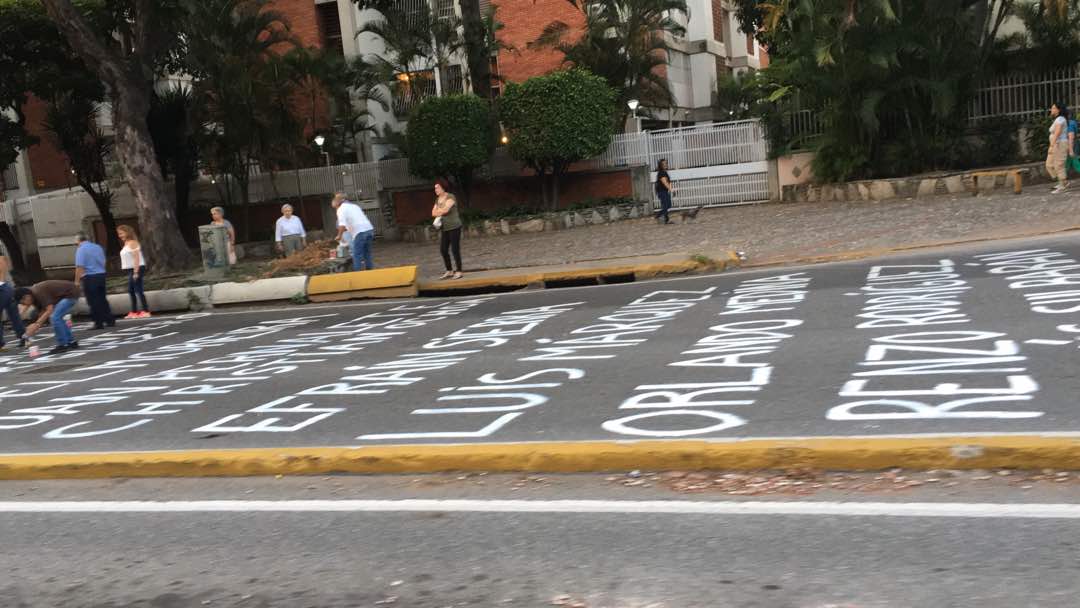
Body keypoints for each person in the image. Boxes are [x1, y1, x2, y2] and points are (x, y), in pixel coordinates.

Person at [17, 280, 81, 355]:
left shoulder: (38, 292)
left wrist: (36, 325)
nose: (25, 305)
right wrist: (33, 326)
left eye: (23, 303)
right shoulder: (33, 297)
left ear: (27, 297)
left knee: (55, 317)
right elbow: (42, 314)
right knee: (58, 318)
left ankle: (63, 345)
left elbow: (49, 309)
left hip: (70, 293)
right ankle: (71, 342)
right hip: (65, 295)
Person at [74, 232, 114, 330]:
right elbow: (103, 261)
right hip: (101, 275)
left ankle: (98, 322)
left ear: (78, 240)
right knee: (102, 298)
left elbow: (79, 266)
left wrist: (77, 281)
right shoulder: (98, 247)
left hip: (89, 277)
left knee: (92, 301)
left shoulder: (81, 249)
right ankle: (109, 320)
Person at [332, 192, 374, 271]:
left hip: (360, 232)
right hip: (369, 229)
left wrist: (339, 235)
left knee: (356, 255)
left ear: (338, 204)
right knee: (367, 253)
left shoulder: (341, 209)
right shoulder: (355, 206)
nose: (335, 209)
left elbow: (342, 225)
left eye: (335, 207)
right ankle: (370, 271)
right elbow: (352, 223)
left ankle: (356, 275)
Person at [431, 180, 464, 279]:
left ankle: (459, 271)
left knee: (455, 249)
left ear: (443, 187)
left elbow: (446, 210)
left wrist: (439, 211)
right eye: (435, 188)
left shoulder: (450, 197)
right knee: (443, 249)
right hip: (444, 228)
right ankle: (449, 270)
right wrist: (441, 211)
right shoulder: (437, 199)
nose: (435, 190)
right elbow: (433, 213)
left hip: (454, 226)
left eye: (437, 187)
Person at [117, 225, 150, 319]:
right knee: (131, 290)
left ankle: (146, 311)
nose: (119, 235)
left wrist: (136, 272)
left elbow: (137, 258)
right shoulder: (126, 243)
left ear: (127, 232)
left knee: (138, 290)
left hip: (137, 268)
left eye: (121, 233)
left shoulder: (133, 242)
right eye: (119, 234)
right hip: (131, 269)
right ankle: (134, 312)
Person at [0, 254, 28, 351]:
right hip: (9, 288)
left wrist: (1, 283)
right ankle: (24, 338)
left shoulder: (1, 258)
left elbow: (2, 267)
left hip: (3, 288)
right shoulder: (3, 258)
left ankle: (1, 344)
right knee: (14, 315)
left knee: (13, 315)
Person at [1047, 102, 1070, 194]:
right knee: (1049, 164)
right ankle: (1063, 181)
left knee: (1059, 165)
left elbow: (1057, 132)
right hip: (1055, 143)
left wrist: (1052, 146)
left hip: (1059, 144)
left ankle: (1063, 185)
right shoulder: (1057, 119)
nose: (1051, 109)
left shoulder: (1060, 119)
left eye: (1053, 108)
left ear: (1058, 110)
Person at [654, 159, 674, 224]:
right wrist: (671, 190)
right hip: (661, 191)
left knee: (668, 205)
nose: (665, 165)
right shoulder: (661, 173)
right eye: (664, 164)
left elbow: (669, 182)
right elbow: (665, 182)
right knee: (665, 205)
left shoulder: (665, 172)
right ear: (661, 165)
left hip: (665, 191)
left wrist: (671, 190)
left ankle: (662, 217)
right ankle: (662, 217)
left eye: (666, 163)